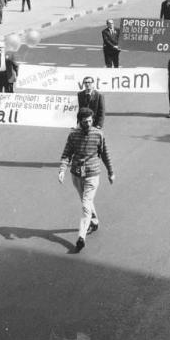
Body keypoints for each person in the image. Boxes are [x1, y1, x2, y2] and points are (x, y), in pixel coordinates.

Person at [58, 107, 114, 253]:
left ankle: (81, 237)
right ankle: (94, 222)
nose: (88, 124)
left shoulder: (98, 134)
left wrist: (110, 172)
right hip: (76, 174)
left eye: (90, 121)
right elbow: (66, 154)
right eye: (85, 121)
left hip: (92, 174)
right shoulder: (73, 135)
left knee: (85, 204)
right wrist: (62, 170)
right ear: (79, 121)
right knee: (86, 201)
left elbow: (105, 154)